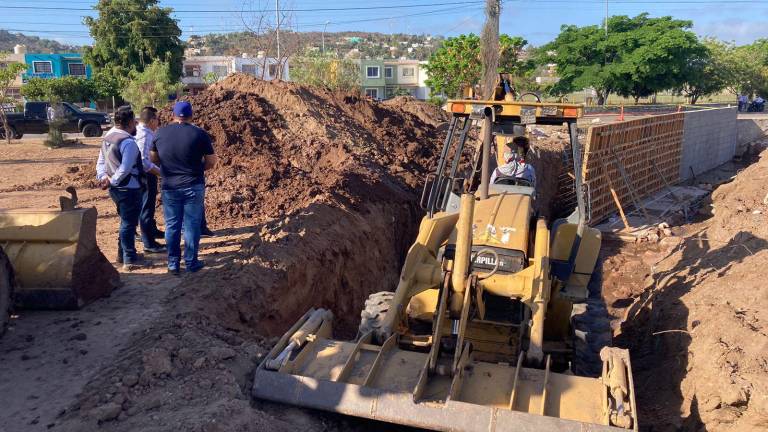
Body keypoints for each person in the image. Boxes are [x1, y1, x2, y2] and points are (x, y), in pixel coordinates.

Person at [150, 101, 217, 275]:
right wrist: (195, 168)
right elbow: (211, 162)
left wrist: (169, 166)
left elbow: (153, 159)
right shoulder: (200, 134)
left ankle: (172, 264)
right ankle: (191, 262)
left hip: (169, 186)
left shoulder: (159, 133)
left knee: (172, 225)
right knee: (191, 225)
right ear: (191, 115)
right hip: (193, 185)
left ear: (173, 115)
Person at [96, 106, 154, 270]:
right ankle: (130, 259)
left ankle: (123, 254)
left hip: (115, 189)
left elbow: (101, 162)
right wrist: (113, 181)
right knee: (128, 223)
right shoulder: (128, 143)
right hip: (128, 188)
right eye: (134, 123)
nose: (136, 126)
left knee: (125, 221)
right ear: (129, 123)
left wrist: (103, 177)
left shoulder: (108, 138)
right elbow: (125, 168)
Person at [135, 106, 166, 253]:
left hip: (148, 174)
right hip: (146, 175)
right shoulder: (144, 135)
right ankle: (149, 243)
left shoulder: (145, 132)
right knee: (146, 207)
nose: (158, 123)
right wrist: (160, 172)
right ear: (152, 120)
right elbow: (143, 161)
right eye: (157, 119)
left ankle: (152, 231)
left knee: (150, 205)